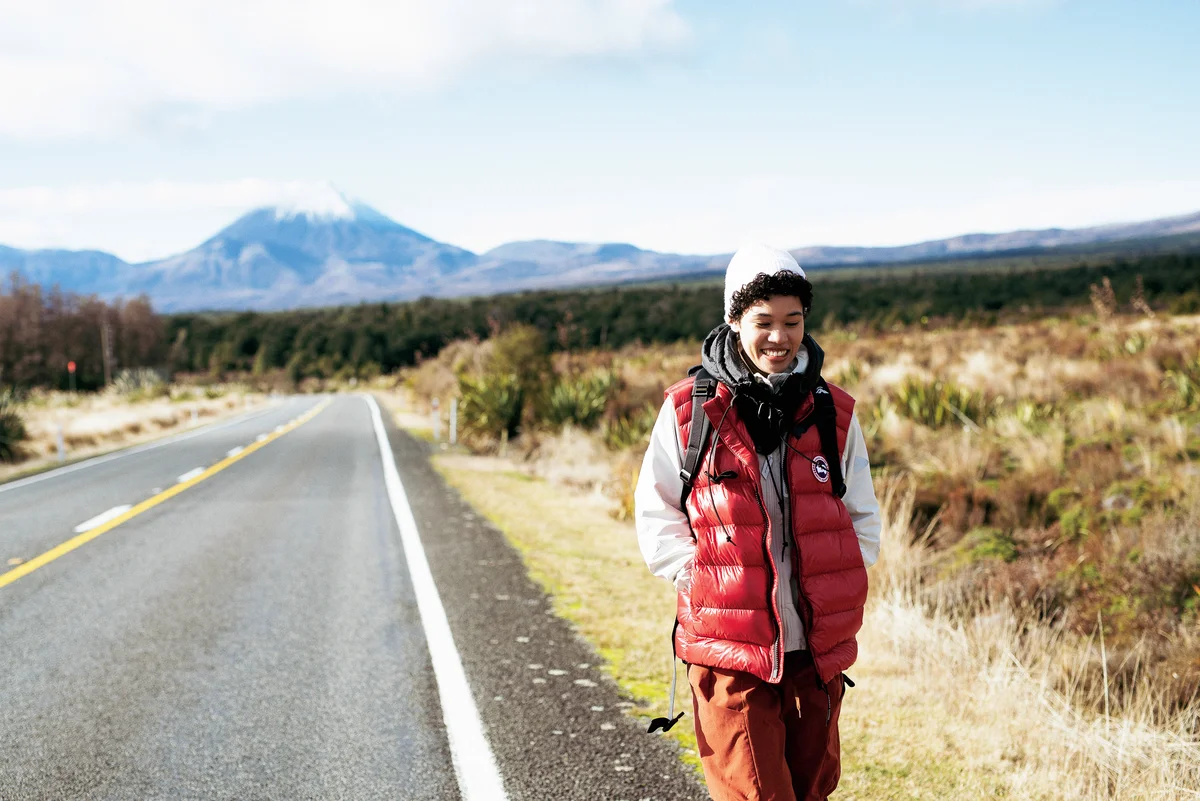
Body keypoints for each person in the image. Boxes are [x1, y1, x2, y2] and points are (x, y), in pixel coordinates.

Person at [635, 242, 881, 801]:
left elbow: (861, 517)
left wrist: (837, 582)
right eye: (763, 321)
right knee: (755, 794)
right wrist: (700, 581)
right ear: (733, 320)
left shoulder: (833, 412)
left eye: (792, 321)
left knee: (810, 790)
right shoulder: (688, 411)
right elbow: (657, 516)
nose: (779, 336)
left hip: (815, 652)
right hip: (728, 650)